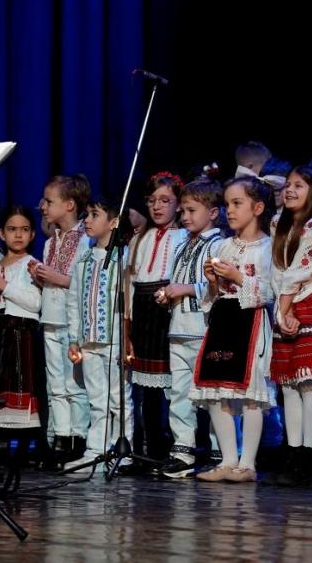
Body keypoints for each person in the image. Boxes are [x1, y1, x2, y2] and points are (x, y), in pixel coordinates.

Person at [191, 176, 276, 483]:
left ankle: (247, 463)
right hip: (224, 319)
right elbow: (211, 296)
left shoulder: (268, 247)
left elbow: (269, 292)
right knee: (216, 389)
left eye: (237, 203)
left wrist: (238, 276)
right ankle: (228, 459)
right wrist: (213, 281)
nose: (230, 210)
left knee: (250, 394)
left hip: (250, 323)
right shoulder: (224, 245)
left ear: (258, 207)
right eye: (227, 204)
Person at [269, 164, 312, 486]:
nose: (290, 190)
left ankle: (309, 456)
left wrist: (285, 309)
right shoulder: (277, 223)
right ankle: (292, 453)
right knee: (287, 382)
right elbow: (276, 269)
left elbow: (300, 270)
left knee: (309, 382)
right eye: (288, 185)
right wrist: (280, 312)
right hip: (284, 304)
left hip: (309, 303)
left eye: (299, 185)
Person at [155, 179, 224, 478]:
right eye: (182, 210)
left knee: (211, 395)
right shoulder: (183, 245)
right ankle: (182, 450)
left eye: (192, 210)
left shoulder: (218, 244)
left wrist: (182, 289)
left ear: (213, 212)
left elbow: (218, 286)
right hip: (178, 329)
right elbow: (176, 283)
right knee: (179, 393)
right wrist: (166, 294)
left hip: (204, 329)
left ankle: (221, 450)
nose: (184, 216)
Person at [63, 197, 135, 472]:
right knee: (96, 399)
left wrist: (128, 338)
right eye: (87, 215)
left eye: (94, 215)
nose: (88, 221)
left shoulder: (123, 257)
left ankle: (124, 451)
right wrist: (73, 338)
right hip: (89, 338)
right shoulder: (83, 260)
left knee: (119, 397)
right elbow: (73, 301)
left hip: (114, 338)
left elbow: (127, 302)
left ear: (113, 222)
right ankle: (96, 450)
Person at [126, 172, 188, 461]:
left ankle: (175, 444)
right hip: (142, 309)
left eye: (165, 200)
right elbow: (130, 280)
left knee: (172, 384)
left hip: (168, 309)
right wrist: (127, 319)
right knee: (146, 385)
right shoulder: (140, 238)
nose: (157, 207)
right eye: (152, 201)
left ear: (178, 203)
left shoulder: (184, 236)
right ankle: (151, 445)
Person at [34, 173, 92, 465]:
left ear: (69, 205)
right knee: (55, 384)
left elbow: (84, 284)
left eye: (49, 201)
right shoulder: (50, 242)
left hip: (73, 322)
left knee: (74, 384)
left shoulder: (85, 240)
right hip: (51, 319)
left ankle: (78, 439)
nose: (42, 206)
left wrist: (55, 278)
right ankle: (60, 437)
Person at [0, 205, 44, 431]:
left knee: (18, 383)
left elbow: (36, 303)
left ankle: (22, 445)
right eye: (12, 229)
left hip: (19, 335)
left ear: (32, 234)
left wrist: (5, 286)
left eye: (24, 229)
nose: (18, 234)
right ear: (2, 233)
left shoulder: (31, 264)